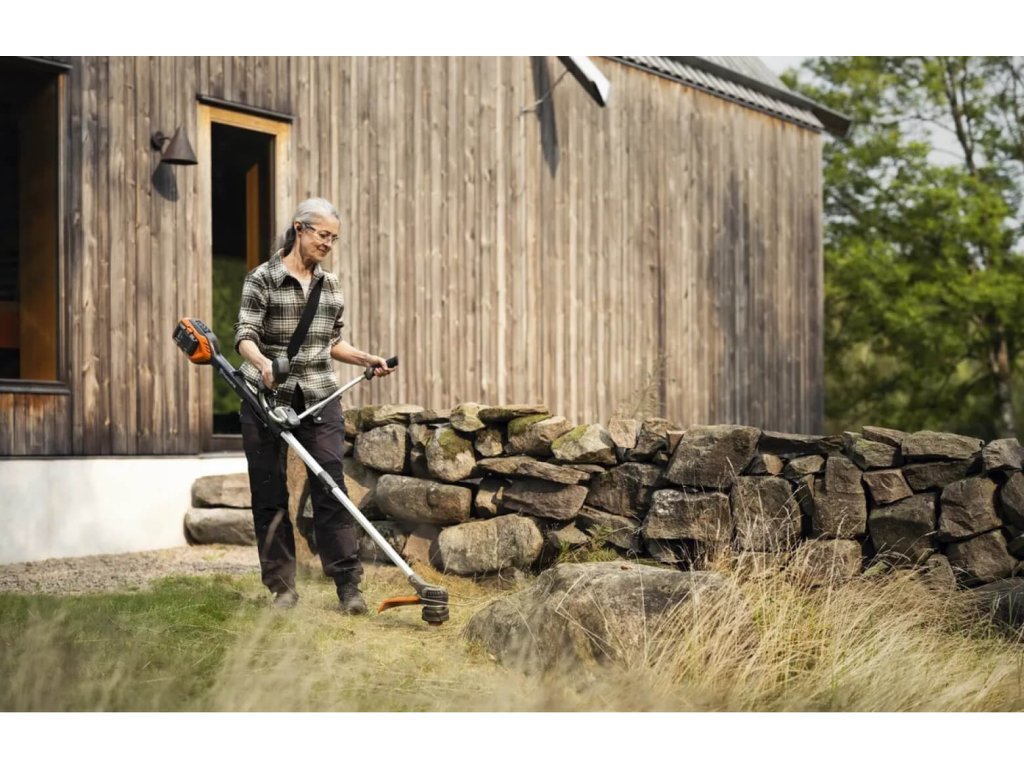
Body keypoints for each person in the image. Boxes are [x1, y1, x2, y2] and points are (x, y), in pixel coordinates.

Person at [234, 197, 392, 613]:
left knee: (331, 488)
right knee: (269, 493)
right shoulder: (262, 279)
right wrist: (265, 365)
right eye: (323, 235)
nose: (328, 244)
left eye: (334, 238)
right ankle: (282, 589)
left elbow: (331, 341)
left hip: (320, 395)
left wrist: (367, 359)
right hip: (265, 399)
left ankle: (348, 587)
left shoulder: (330, 285)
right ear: (299, 228)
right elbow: (244, 335)